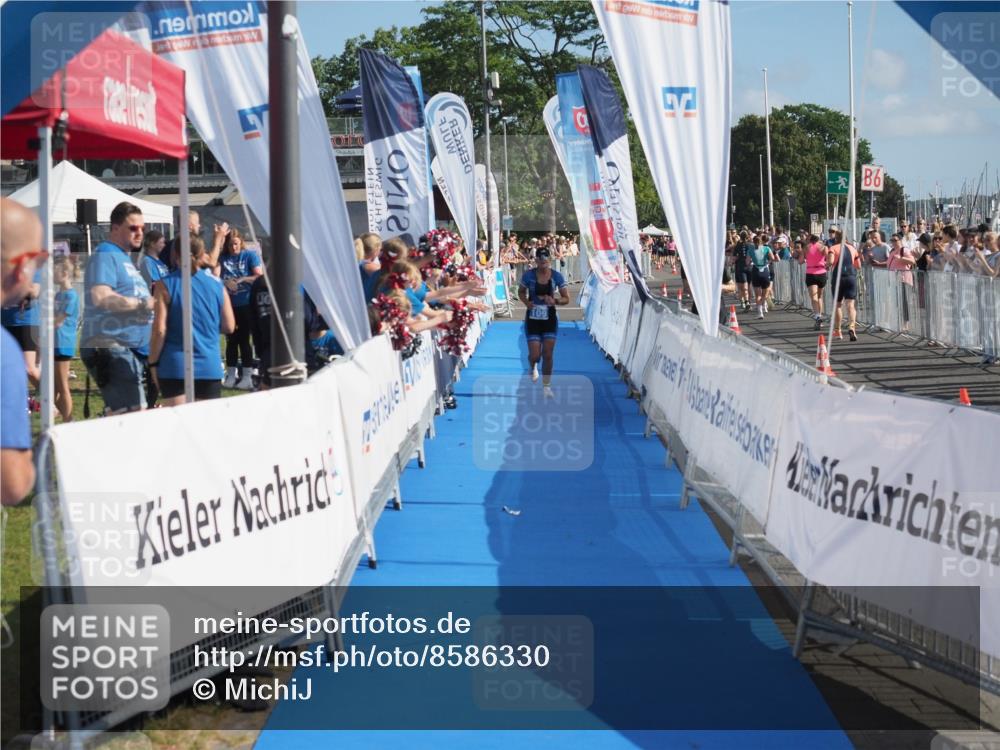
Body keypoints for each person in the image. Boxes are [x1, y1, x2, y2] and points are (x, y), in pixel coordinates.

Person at [80, 202, 155, 414]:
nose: (139, 232)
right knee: (132, 416)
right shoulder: (106, 252)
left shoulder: (124, 258)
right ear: (114, 228)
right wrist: (142, 304)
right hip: (111, 345)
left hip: (127, 348)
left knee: (124, 414)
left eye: (142, 227)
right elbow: (101, 296)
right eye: (133, 228)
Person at [148, 235, 235, 405]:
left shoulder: (164, 285)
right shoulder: (217, 284)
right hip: (209, 365)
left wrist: (152, 363)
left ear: (175, 254)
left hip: (174, 366)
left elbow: (159, 330)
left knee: (178, 428)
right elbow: (229, 326)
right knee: (205, 428)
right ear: (203, 253)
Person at [1, 198, 44, 504]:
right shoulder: (4, 353)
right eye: (38, 260)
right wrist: (30, 465)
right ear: (20, 268)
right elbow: (11, 484)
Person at [517, 247, 569, 397]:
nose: (543, 264)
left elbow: (567, 299)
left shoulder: (557, 277)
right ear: (536, 261)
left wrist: (556, 301)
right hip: (533, 318)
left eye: (546, 261)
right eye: (540, 261)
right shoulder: (529, 276)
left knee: (547, 354)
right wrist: (527, 302)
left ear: (550, 261)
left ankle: (546, 386)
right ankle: (532, 366)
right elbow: (520, 292)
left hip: (550, 318)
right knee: (535, 355)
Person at [218, 228, 262, 390]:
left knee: (244, 340)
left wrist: (243, 278)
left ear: (241, 243)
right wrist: (226, 282)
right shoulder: (223, 259)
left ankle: (247, 376)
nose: (233, 248)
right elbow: (215, 277)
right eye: (230, 245)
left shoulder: (249, 255)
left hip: (245, 303)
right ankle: (231, 374)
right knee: (231, 340)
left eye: (235, 244)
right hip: (229, 305)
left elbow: (259, 275)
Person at [53, 256, 80, 422]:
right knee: (54, 387)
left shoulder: (71, 296)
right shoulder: (58, 294)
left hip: (63, 343)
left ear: (64, 273)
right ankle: (59, 417)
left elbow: (58, 322)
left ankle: (68, 421)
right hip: (54, 343)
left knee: (62, 386)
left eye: (54, 271)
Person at [827, 228, 861, 341]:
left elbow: (831, 262)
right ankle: (852, 328)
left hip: (838, 278)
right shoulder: (853, 248)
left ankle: (838, 331)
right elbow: (858, 265)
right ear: (847, 238)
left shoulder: (833, 248)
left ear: (836, 238)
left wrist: (826, 265)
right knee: (850, 305)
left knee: (838, 305)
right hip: (850, 277)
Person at [800, 234, 828, 330]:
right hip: (821, 273)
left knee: (813, 297)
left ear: (810, 239)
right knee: (819, 297)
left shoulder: (806, 248)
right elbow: (828, 259)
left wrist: (806, 258)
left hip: (811, 273)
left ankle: (817, 316)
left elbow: (800, 261)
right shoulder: (824, 247)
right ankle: (819, 318)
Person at [748, 234, 776, 319]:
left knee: (757, 295)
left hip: (755, 271)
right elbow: (773, 258)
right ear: (761, 241)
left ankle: (760, 312)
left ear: (753, 242)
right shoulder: (767, 248)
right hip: (765, 271)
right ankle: (764, 304)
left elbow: (747, 262)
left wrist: (751, 262)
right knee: (765, 293)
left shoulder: (751, 250)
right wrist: (767, 262)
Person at [731, 231, 752, 311]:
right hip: (749, 267)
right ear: (747, 237)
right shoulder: (750, 245)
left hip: (740, 267)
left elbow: (734, 257)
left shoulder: (737, 245)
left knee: (741, 286)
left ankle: (744, 301)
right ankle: (747, 302)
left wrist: (732, 263)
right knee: (748, 286)